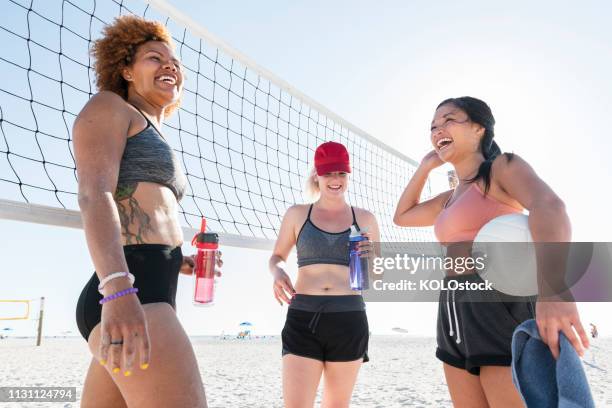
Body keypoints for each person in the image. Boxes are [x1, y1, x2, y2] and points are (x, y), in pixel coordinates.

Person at [394, 96, 589, 407]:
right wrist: (426, 165)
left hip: (498, 298)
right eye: (433, 126)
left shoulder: (501, 169)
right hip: (453, 305)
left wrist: (554, 288)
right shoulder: (448, 198)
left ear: (478, 129)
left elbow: (550, 206)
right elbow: (402, 216)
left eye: (449, 120)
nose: (438, 129)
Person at [74, 16, 221, 407]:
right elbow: (94, 194)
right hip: (128, 292)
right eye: (154, 58)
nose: (170, 66)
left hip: (147, 286)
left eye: (174, 62)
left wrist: (178, 260)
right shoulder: (111, 106)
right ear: (125, 69)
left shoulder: (154, 131)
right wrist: (118, 289)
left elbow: (143, 211)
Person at [269, 141, 380, 408]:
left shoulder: (365, 218)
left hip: (349, 317)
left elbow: (376, 277)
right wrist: (277, 271)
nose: (335, 180)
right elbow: (277, 256)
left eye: (341, 173)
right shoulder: (297, 214)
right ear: (316, 176)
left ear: (348, 176)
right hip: (303, 316)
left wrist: (369, 259)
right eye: (328, 173)